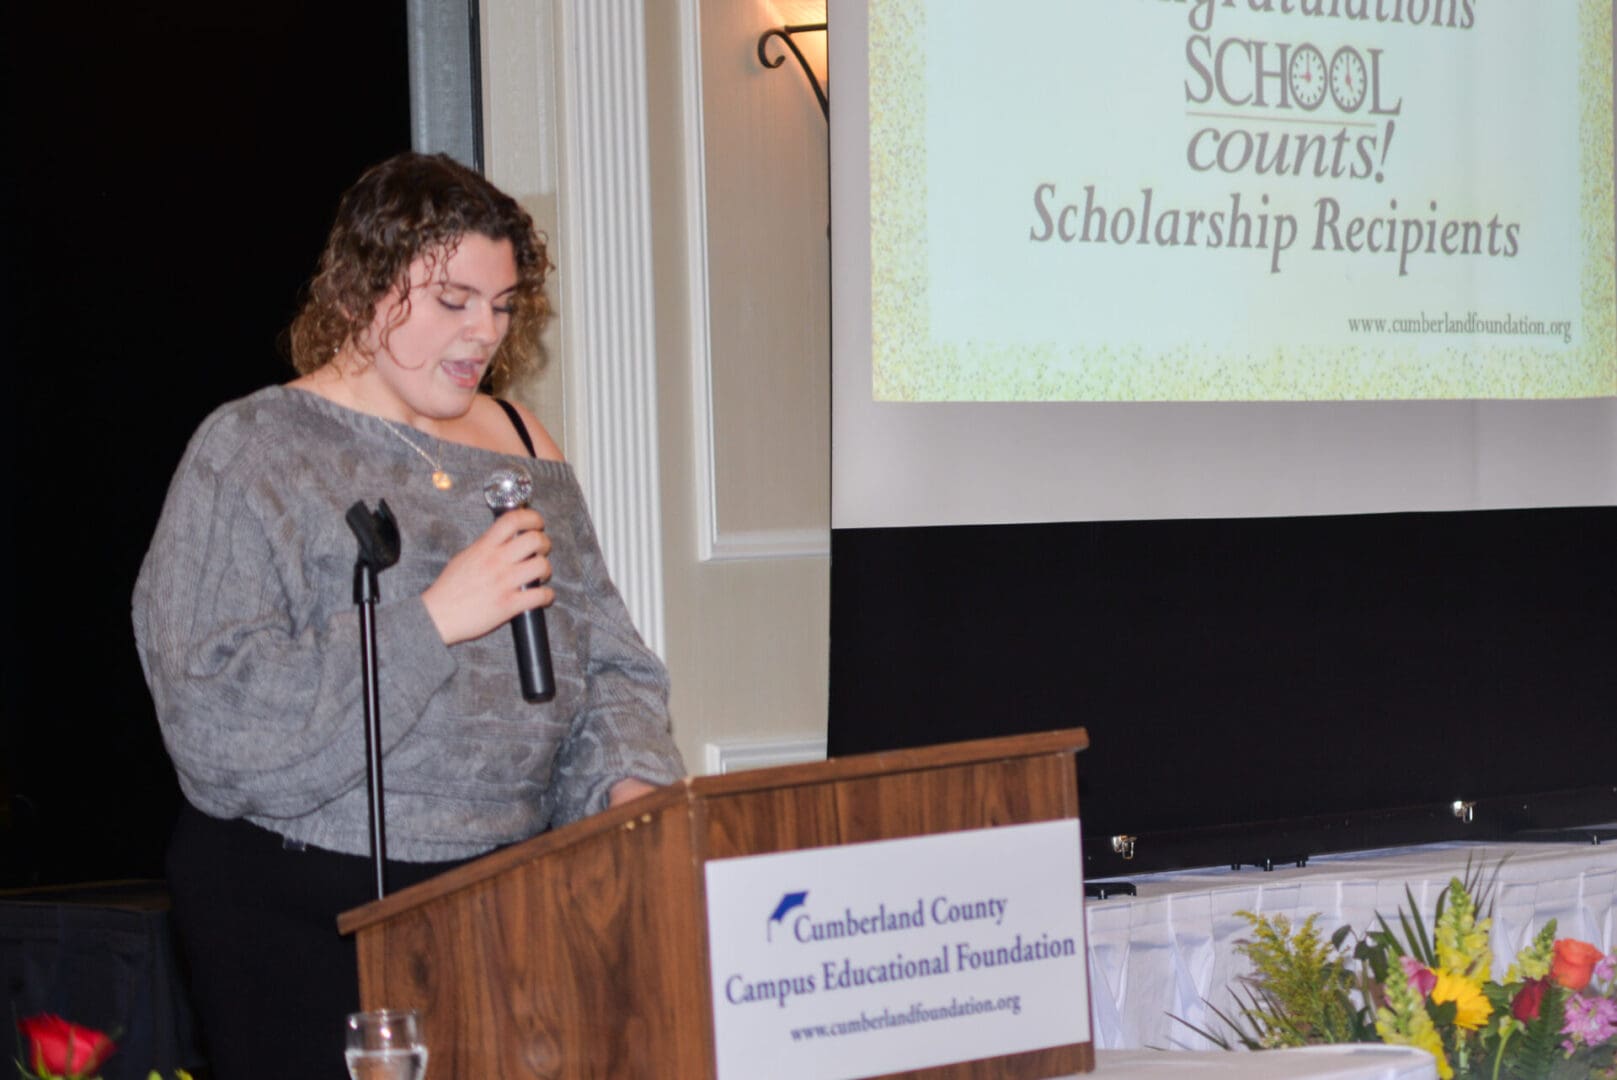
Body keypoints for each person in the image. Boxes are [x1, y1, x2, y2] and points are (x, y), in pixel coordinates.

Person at [132, 152, 685, 1079]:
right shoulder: (256, 447)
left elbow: (610, 665)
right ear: (360, 290)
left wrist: (629, 792)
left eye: (502, 306)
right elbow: (210, 716)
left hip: (509, 889)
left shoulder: (519, 439)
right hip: (305, 906)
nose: (482, 334)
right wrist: (432, 619)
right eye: (453, 300)